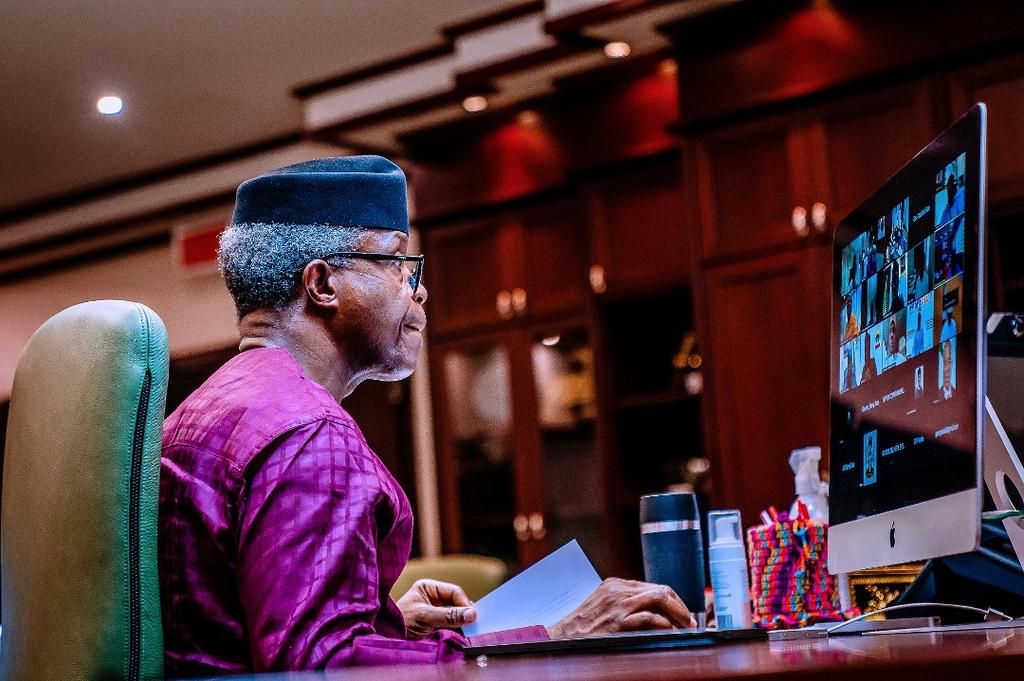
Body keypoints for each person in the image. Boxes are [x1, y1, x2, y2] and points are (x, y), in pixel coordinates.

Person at [159, 157, 695, 677]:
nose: (420, 289)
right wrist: (556, 637)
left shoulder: (195, 415)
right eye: (398, 264)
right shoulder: (311, 434)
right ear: (322, 285)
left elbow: (245, 627)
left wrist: (384, 624)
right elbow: (324, 667)